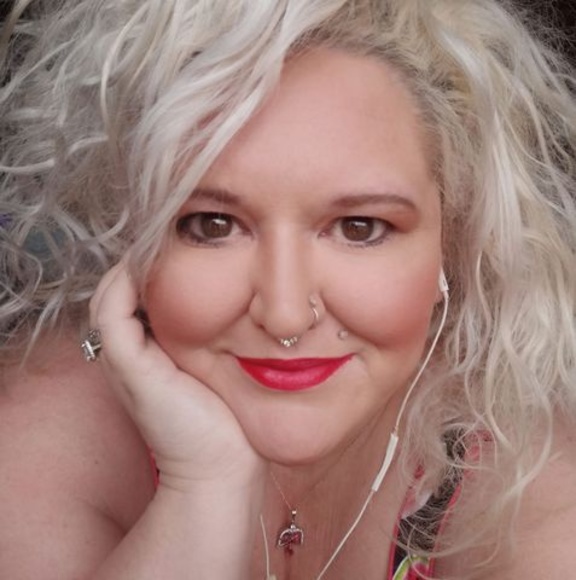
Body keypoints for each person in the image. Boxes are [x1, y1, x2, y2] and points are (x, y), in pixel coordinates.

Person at [1, 0, 575, 578]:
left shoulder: (532, 488)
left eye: (359, 228)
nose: (285, 315)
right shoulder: (39, 432)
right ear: (134, 238)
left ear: (451, 242)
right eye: (213, 225)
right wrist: (203, 486)